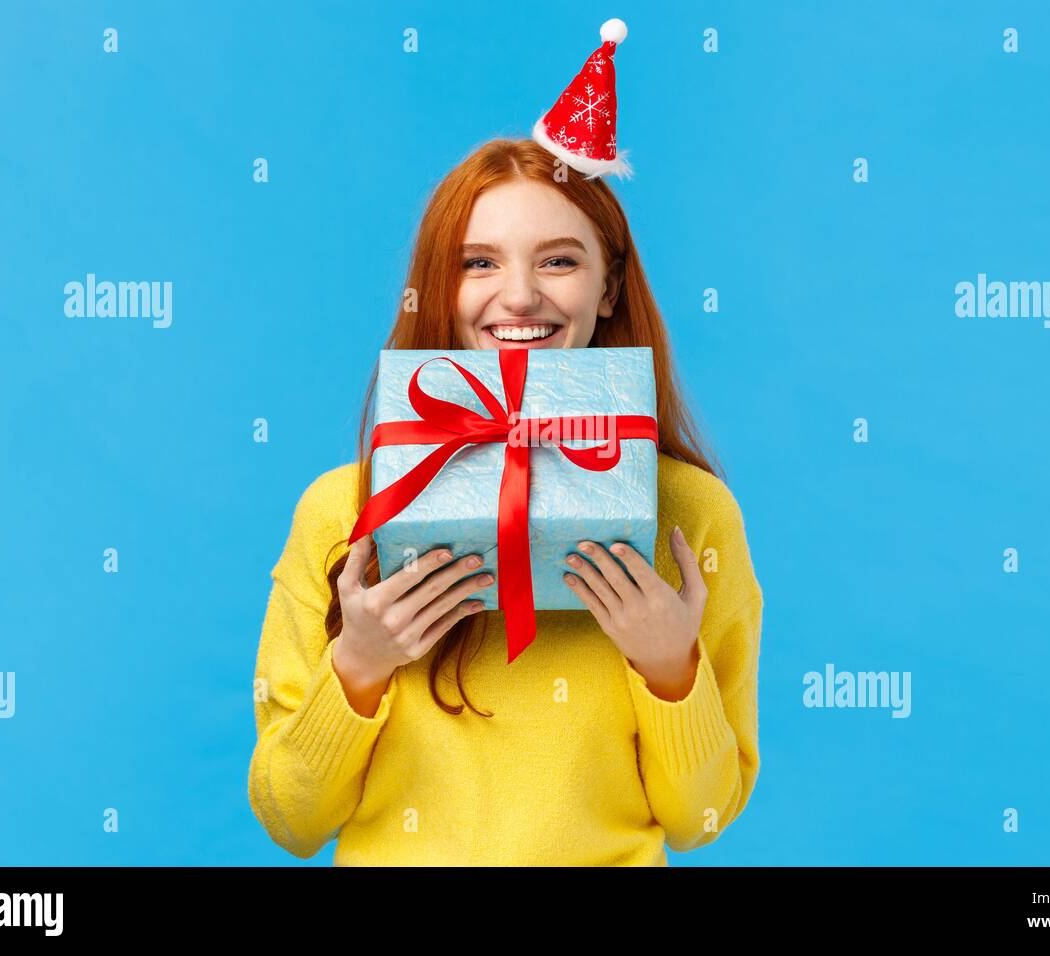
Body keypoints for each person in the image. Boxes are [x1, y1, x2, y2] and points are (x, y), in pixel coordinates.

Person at [248, 20, 764, 866]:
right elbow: (291, 822)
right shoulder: (342, 513)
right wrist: (360, 664)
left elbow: (701, 820)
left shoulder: (691, 515)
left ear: (608, 289)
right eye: (478, 263)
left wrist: (671, 669)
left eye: (559, 261)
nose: (517, 297)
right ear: (437, 292)